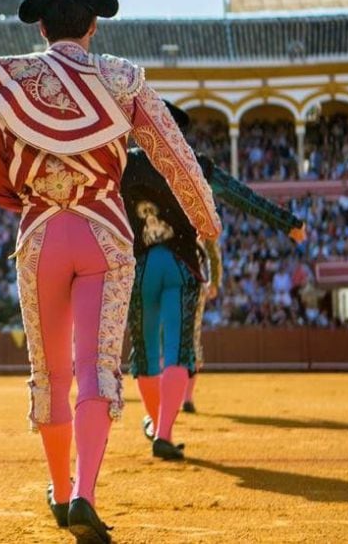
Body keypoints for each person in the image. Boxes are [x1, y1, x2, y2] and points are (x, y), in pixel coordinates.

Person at [0, 0, 221, 542]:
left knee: (50, 374)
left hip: (39, 237)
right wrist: (207, 221)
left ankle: (58, 493)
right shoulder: (123, 79)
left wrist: (33, 199)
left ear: (41, 28)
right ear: (93, 26)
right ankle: (84, 494)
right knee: (96, 369)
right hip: (104, 234)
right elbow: (174, 155)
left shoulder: (7, 83)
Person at [123, 103, 306, 461]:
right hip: (181, 263)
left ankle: (152, 418)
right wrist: (288, 223)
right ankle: (163, 432)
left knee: (145, 351)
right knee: (177, 348)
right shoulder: (194, 163)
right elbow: (242, 197)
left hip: (141, 266)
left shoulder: (123, 162)